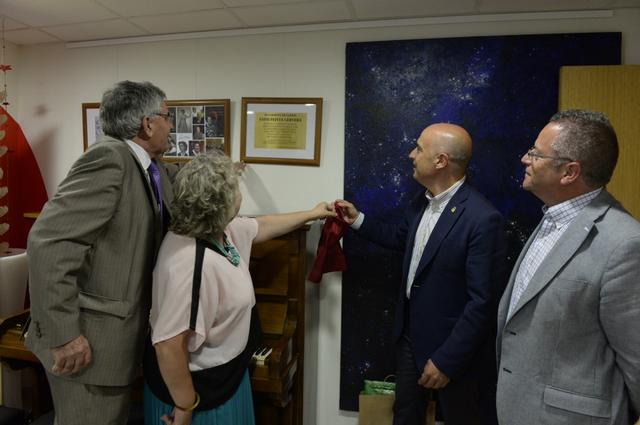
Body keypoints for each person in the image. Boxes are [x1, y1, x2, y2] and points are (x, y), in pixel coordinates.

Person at [144, 153, 335, 425]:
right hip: (199, 393)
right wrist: (185, 406)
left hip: (228, 380)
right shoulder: (190, 262)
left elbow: (261, 226)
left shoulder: (218, 230)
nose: (239, 193)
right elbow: (168, 345)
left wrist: (313, 213)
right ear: (219, 204)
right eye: (235, 187)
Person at [337, 123, 507, 425]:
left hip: (452, 351)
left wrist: (446, 361)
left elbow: (483, 303)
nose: (411, 154)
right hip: (409, 340)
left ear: (440, 161)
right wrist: (357, 219)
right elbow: (402, 239)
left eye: (418, 148)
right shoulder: (421, 202)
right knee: (405, 417)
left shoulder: (482, 219)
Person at [26, 80, 174, 425]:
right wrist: (64, 335)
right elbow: (48, 242)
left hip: (113, 346)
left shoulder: (147, 166)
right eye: (167, 117)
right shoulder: (110, 159)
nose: (170, 125)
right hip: (85, 348)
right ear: (147, 123)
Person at [496, 110, 640, 425]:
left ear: (569, 172)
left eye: (536, 153)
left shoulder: (625, 244)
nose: (525, 159)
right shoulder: (552, 218)